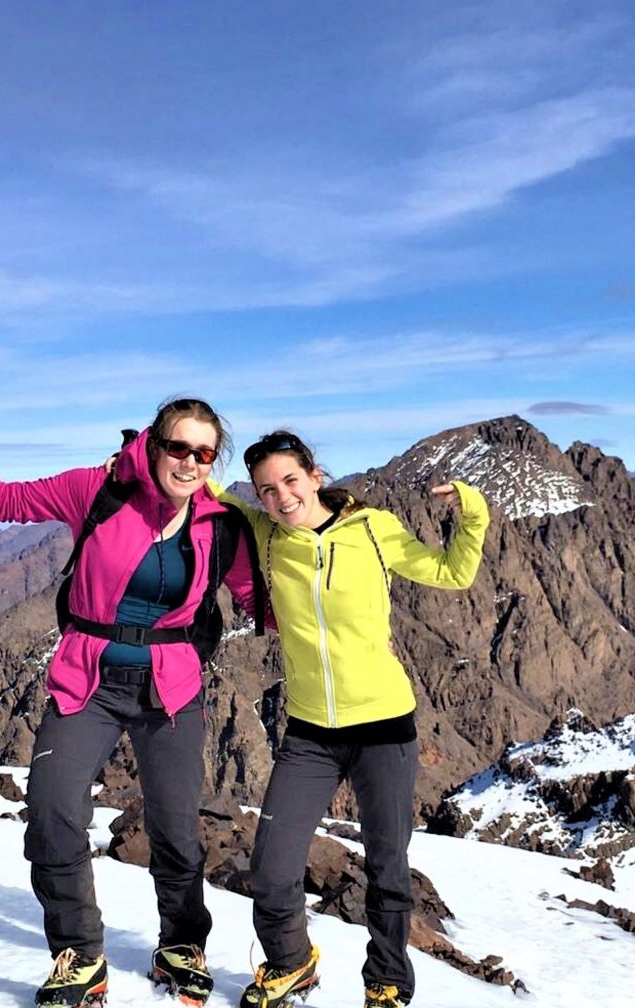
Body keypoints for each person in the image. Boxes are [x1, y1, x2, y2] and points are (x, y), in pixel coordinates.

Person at [0, 394, 265, 1008]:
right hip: (87, 681)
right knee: (52, 808)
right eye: (179, 447)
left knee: (175, 826)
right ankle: (79, 955)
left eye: (204, 452)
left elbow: (263, 600)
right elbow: (1, 499)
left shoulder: (220, 523)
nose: (191, 462)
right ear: (154, 443)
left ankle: (181, 946)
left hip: (171, 687)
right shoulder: (99, 489)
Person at [220, 430, 490, 1008]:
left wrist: (472, 512)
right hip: (311, 731)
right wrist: (150, 451)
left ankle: (388, 982)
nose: (281, 497)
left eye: (290, 480)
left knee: (388, 866)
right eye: (267, 489)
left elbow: (452, 572)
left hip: (384, 726)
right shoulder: (265, 533)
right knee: (271, 866)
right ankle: (292, 963)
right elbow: (203, 490)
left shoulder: (373, 528)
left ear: (315, 476)